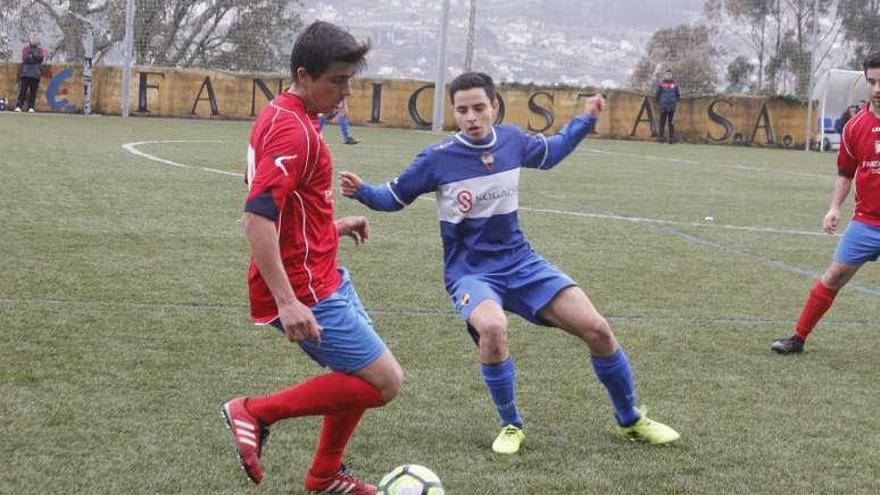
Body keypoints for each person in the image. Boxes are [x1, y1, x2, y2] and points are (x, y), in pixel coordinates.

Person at [339, 72, 680, 455]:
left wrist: (587, 119)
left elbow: (554, 151)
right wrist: (362, 192)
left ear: (494, 107)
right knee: (493, 328)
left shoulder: (513, 140)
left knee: (598, 329)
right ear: (454, 112)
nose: (471, 117)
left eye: (479, 108)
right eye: (462, 109)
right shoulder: (437, 159)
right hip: (470, 273)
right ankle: (511, 424)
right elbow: (394, 196)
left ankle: (630, 419)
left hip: (521, 263)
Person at [221, 21, 403, 495]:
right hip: (305, 288)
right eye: (337, 81)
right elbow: (257, 219)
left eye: (349, 80)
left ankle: (325, 475)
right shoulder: (291, 130)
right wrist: (286, 301)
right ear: (304, 75)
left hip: (323, 271)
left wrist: (332, 227)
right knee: (385, 382)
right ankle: (254, 411)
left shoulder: (296, 116)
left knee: (357, 374)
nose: (345, 93)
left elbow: (292, 209)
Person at [772, 52, 880, 354]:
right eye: (872, 81)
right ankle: (798, 338)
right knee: (833, 276)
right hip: (866, 223)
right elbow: (845, 173)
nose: (877, 89)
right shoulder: (854, 127)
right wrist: (834, 208)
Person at [14, 32, 45, 113]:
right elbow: (26, 59)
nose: (34, 40)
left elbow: (40, 58)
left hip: (36, 74)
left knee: (33, 92)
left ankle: (31, 107)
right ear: (30, 39)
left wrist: (32, 55)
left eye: (35, 38)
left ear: (37, 40)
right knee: (22, 91)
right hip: (25, 73)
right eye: (32, 38)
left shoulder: (40, 50)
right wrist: (34, 57)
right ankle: (18, 106)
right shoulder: (25, 49)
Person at [655, 69, 680, 143]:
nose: (668, 76)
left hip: (672, 106)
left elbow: (678, 95)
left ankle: (671, 139)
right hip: (663, 106)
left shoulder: (675, 84)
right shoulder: (661, 84)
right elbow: (657, 95)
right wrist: (660, 103)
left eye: (670, 74)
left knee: (671, 123)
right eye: (667, 74)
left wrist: (675, 102)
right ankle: (660, 138)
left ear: (671, 75)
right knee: (662, 122)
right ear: (664, 75)